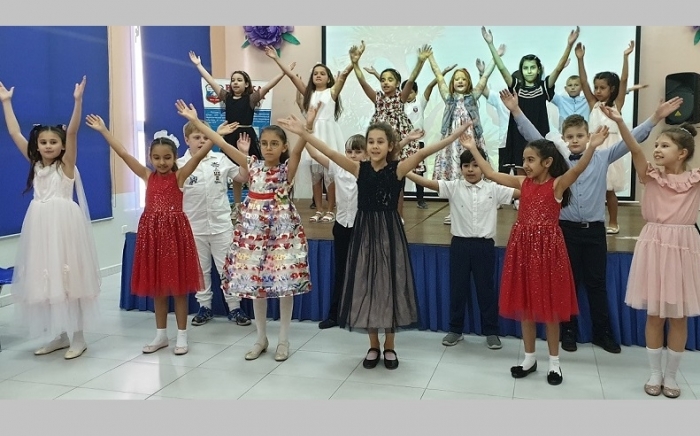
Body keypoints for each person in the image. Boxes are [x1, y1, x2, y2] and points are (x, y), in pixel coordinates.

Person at [279, 112, 472, 370]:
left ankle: (389, 345)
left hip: (389, 234)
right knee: (367, 287)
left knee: (389, 286)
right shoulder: (359, 168)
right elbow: (329, 151)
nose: (375, 146)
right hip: (365, 234)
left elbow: (426, 152)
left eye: (380, 141)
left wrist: (456, 135)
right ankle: (373, 345)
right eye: (371, 141)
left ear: (390, 146)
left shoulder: (398, 169)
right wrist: (303, 132)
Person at [504, 89, 684, 354]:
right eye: (570, 137)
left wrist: (655, 117)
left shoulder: (603, 155)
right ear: (564, 139)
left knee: (596, 283)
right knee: (566, 284)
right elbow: (534, 137)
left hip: (594, 230)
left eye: (580, 136)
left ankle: (603, 333)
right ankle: (568, 333)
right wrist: (516, 110)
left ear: (588, 136)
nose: (575, 141)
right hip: (564, 231)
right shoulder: (559, 159)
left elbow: (632, 139)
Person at [463, 117, 604, 385]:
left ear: (547, 162)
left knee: (550, 310)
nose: (525, 165)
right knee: (526, 306)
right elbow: (491, 174)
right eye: (524, 160)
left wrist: (592, 147)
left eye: (530, 160)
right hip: (523, 249)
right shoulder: (522, 183)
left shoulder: (557, 185)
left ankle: (554, 363)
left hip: (549, 251)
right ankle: (529, 358)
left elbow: (578, 170)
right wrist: (472, 148)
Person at [178, 103, 311, 363]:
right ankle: (261, 338)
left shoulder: (286, 170)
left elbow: (299, 150)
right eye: (265, 143)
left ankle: (283, 339)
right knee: (256, 285)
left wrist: (305, 128)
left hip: (282, 234)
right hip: (253, 234)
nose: (269, 148)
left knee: (285, 286)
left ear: (283, 147)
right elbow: (220, 142)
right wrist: (197, 120)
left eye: (275, 143)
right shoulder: (252, 165)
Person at [602, 103, 700, 399]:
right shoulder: (650, 175)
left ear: (682, 153)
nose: (657, 149)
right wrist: (620, 122)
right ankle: (655, 373)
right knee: (655, 315)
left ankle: (671, 376)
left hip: (683, 246)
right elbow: (634, 147)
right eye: (656, 145)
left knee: (679, 316)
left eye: (664, 145)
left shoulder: (695, 179)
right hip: (655, 244)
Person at [1, 77, 100, 360]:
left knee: (70, 281)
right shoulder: (35, 164)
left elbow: (74, 132)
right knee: (49, 282)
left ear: (61, 145)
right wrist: (6, 103)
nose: (47, 146)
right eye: (43, 142)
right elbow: (14, 132)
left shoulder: (66, 166)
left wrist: (78, 102)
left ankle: (78, 337)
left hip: (64, 227)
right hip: (40, 226)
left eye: (53, 142)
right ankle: (60, 333)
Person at [406, 147, 519, 350]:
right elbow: (427, 183)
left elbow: (523, 190)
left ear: (484, 167)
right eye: (466, 165)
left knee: (486, 290)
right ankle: (455, 330)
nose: (471, 169)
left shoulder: (494, 189)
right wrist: (404, 171)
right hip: (460, 245)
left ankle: (491, 332)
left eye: (476, 165)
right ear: (460, 168)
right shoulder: (454, 187)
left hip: (484, 246)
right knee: (458, 289)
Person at [189, 50, 292, 216]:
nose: (235, 82)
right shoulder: (226, 97)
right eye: (233, 80)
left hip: (246, 137)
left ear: (246, 84)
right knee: (234, 172)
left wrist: (283, 72)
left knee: (251, 170)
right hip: (230, 136)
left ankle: (254, 201)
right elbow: (211, 81)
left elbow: (268, 86)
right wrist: (199, 65)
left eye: (239, 80)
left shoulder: (251, 99)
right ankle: (237, 206)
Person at [265, 47, 353, 223]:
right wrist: (276, 58)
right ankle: (319, 209)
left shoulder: (332, 92)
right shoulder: (309, 93)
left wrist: (352, 63)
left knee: (330, 174)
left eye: (322, 73)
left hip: (328, 134)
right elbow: (291, 76)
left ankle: (330, 209)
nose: (318, 76)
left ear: (329, 78)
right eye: (315, 73)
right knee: (316, 176)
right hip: (312, 132)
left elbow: (343, 76)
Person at [177, 119, 252, 327]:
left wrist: (243, 154)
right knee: (200, 270)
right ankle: (204, 307)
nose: (202, 141)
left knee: (227, 268)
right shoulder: (180, 165)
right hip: (194, 227)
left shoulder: (220, 159)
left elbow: (242, 176)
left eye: (205, 137)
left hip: (221, 225)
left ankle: (234, 307)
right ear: (186, 140)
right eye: (197, 137)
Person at [481, 26, 580, 176]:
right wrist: (490, 44)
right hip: (518, 135)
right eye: (525, 68)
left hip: (539, 134)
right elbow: (501, 68)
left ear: (538, 70)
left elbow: (558, 68)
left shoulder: (543, 86)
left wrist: (569, 45)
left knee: (542, 172)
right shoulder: (517, 87)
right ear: (521, 70)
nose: (529, 71)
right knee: (522, 175)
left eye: (532, 67)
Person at [349, 40, 431, 220]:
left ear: (397, 83)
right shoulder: (378, 98)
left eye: (390, 79)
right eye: (383, 79)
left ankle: (397, 216)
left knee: (396, 180)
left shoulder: (401, 97)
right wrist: (355, 63)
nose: (385, 82)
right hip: (380, 139)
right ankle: (376, 212)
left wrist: (420, 61)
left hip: (397, 139)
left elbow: (411, 79)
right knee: (377, 177)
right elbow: (362, 82)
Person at [364, 63, 458, 209]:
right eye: (406, 92)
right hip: (401, 141)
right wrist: (377, 74)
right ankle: (395, 202)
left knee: (418, 171)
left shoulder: (420, 102)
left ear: (415, 93)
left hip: (416, 141)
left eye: (411, 92)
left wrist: (442, 73)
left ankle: (420, 199)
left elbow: (429, 87)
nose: (408, 95)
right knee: (397, 172)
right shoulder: (399, 103)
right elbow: (388, 91)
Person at [426, 49, 499, 224]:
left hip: (471, 140)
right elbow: (439, 76)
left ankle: (477, 211)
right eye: (457, 79)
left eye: (463, 79)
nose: (460, 81)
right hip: (452, 144)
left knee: (474, 173)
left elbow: (485, 77)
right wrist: (430, 57)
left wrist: (495, 56)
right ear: (453, 83)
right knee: (454, 178)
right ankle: (455, 212)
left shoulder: (472, 97)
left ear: (468, 83)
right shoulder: (449, 98)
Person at [575, 41, 635, 234]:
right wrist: (580, 59)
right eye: (596, 87)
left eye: (602, 88)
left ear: (612, 89)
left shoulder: (617, 104)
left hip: (610, 150)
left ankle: (614, 222)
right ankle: (592, 219)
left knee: (609, 190)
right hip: (593, 149)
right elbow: (583, 82)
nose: (597, 91)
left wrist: (626, 57)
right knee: (592, 188)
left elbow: (624, 80)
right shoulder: (593, 103)